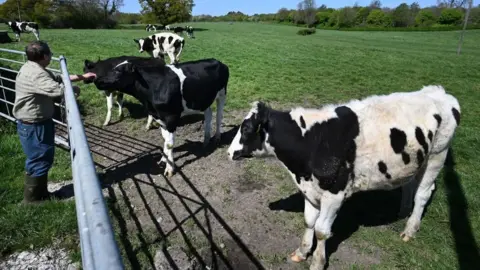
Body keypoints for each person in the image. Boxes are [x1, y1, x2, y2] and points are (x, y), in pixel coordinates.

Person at [13, 40, 96, 204]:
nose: (51, 56)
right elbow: (58, 90)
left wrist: (81, 77)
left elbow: (57, 78)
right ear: (44, 56)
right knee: (40, 158)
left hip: (33, 123)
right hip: (34, 125)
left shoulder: (33, 67)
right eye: (50, 54)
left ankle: (40, 194)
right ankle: (33, 200)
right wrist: (75, 90)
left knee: (38, 157)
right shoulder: (37, 74)